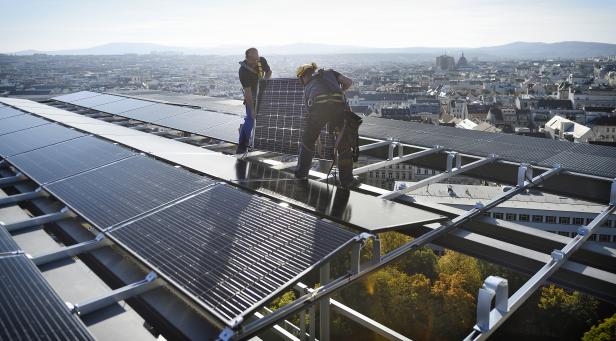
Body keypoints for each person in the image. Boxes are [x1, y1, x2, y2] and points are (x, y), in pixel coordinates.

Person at [295, 63, 360, 189]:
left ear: (302, 76)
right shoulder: (330, 72)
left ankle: (301, 174)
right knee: (344, 145)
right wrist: (339, 91)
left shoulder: (307, 86)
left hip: (318, 109)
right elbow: (348, 82)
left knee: (307, 142)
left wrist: (316, 139)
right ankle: (347, 180)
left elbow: (310, 113)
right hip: (339, 108)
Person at [237, 47, 272, 154]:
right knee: (250, 120)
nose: (257, 61)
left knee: (262, 119)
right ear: (248, 59)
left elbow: (269, 72)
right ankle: (242, 146)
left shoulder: (261, 60)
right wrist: (252, 109)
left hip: (261, 93)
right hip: (251, 95)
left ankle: (257, 142)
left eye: (258, 58)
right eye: (255, 59)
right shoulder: (243, 71)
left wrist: (264, 83)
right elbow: (247, 92)